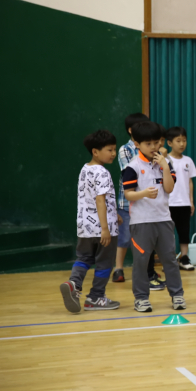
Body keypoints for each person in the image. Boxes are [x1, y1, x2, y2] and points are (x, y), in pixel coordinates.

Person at [121, 121, 186, 313]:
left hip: (164, 220)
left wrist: (165, 167)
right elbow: (128, 193)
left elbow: (169, 188)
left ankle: (177, 295)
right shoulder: (132, 167)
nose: (153, 147)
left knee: (170, 260)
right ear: (137, 144)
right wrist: (143, 194)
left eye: (156, 143)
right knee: (141, 262)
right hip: (141, 223)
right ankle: (141, 298)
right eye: (147, 144)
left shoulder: (166, 163)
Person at [60, 130, 123, 313]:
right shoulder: (102, 172)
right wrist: (105, 228)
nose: (113, 153)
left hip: (85, 228)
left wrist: (114, 214)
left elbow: (90, 198)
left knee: (84, 258)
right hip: (103, 229)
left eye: (114, 149)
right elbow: (100, 200)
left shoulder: (85, 169)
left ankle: (73, 283)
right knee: (104, 263)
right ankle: (96, 297)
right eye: (109, 150)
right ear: (95, 151)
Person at [112, 112, 158, 287]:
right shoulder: (125, 149)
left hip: (148, 201)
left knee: (147, 239)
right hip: (128, 200)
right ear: (131, 130)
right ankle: (118, 269)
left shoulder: (153, 148)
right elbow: (130, 171)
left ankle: (148, 270)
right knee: (124, 238)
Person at [165, 126, 196, 271]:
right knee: (167, 234)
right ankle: (169, 260)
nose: (181, 144)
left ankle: (184, 258)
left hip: (184, 203)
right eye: (178, 141)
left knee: (184, 232)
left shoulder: (188, 160)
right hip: (168, 203)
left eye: (184, 140)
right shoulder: (165, 160)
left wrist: (191, 201)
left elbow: (190, 181)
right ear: (169, 143)